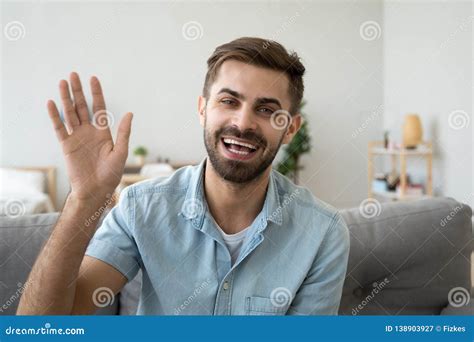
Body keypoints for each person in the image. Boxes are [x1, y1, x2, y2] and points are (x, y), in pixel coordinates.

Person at [17, 37, 349, 315]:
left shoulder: (322, 232)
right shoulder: (141, 208)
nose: (244, 123)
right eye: (228, 101)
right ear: (203, 109)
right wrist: (84, 199)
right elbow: (41, 328)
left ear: (290, 128)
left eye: (266, 110)